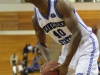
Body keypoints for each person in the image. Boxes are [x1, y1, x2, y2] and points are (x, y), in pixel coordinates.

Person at [25, 0, 99, 75]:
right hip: (67, 48)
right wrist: (48, 63)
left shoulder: (60, 5)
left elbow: (77, 33)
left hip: (85, 44)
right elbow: (41, 44)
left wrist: (66, 63)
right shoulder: (35, 19)